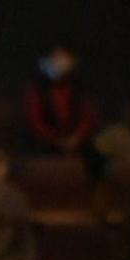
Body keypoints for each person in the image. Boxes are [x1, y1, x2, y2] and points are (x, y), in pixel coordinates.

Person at [24, 43, 101, 173]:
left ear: (72, 61)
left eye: (61, 58)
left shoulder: (83, 87)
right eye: (53, 58)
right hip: (45, 145)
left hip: (80, 143)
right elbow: (35, 121)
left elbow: (89, 117)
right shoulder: (36, 89)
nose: (57, 63)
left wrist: (76, 137)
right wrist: (57, 140)